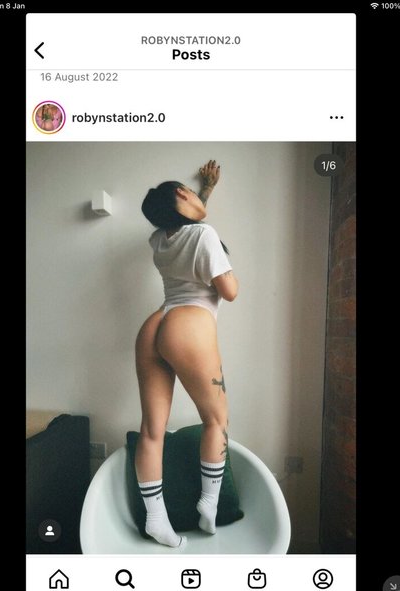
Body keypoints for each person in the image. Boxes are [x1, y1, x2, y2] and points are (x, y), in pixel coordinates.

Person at [135, 160, 239, 548]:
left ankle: (156, 521)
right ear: (182, 193)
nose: (198, 197)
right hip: (190, 325)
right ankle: (208, 504)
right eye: (192, 192)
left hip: (155, 325)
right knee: (216, 420)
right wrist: (228, 266)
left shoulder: (158, 239)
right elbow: (229, 292)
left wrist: (205, 191)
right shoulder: (206, 235)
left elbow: (183, 223)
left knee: (151, 431)